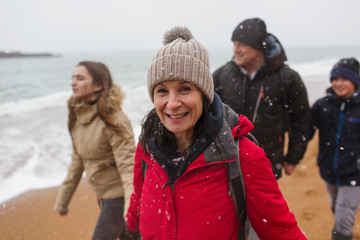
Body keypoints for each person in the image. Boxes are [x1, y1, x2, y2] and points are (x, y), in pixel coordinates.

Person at [123, 26, 306, 240]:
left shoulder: (243, 155)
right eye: (162, 90)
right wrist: (130, 230)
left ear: (204, 94)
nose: (172, 104)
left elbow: (280, 231)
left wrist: (293, 155)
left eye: (185, 89)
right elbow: (138, 199)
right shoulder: (146, 147)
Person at [213, 18, 310, 179]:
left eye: (242, 44)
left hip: (267, 164)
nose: (236, 50)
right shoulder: (222, 75)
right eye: (234, 44)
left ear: (259, 47)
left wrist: (294, 157)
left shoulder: (287, 78)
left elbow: (301, 121)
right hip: (226, 163)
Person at [54, 61, 136, 240]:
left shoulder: (114, 120)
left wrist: (131, 208)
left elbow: (128, 167)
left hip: (119, 198)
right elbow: (78, 160)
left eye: (80, 78)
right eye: (73, 77)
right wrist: (63, 200)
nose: (73, 82)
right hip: (102, 197)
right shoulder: (77, 116)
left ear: (98, 85)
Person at [309, 57, 360, 240]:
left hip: (354, 174)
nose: (338, 84)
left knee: (343, 221)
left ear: (354, 81)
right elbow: (305, 129)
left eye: (344, 79)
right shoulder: (323, 105)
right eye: (335, 79)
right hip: (328, 171)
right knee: (337, 207)